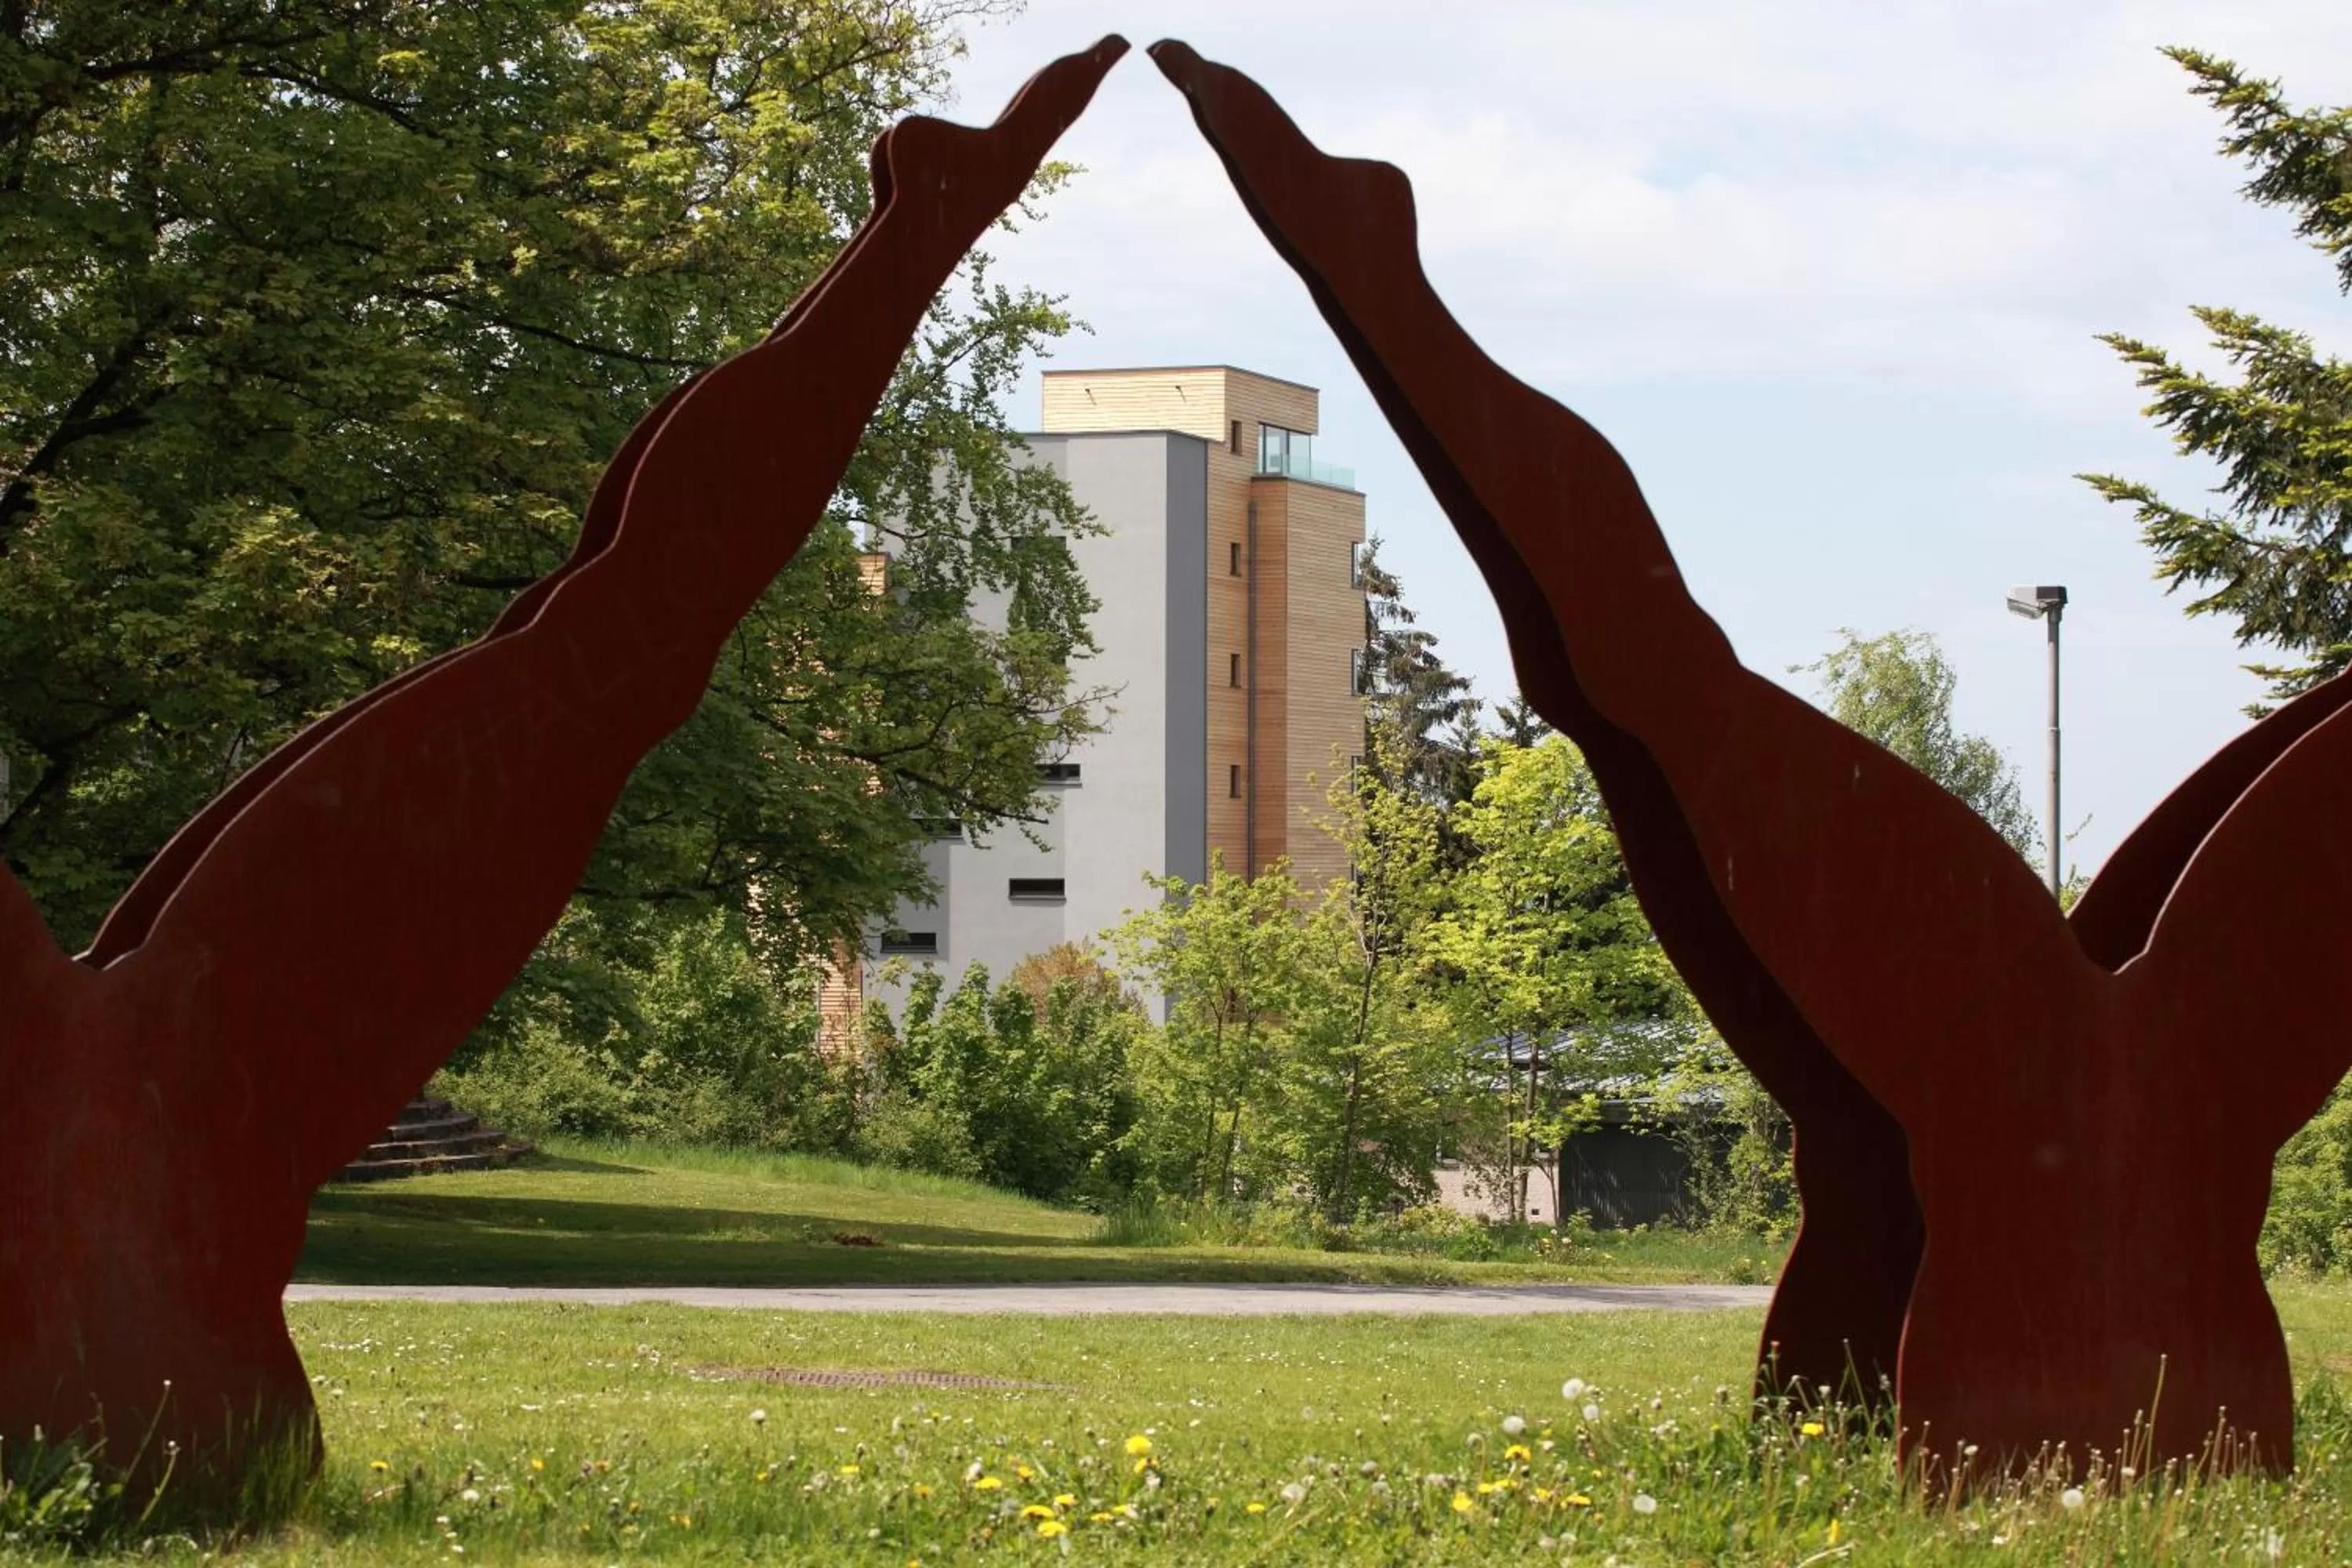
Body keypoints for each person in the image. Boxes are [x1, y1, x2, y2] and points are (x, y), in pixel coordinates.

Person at [1153, 38, 2352, 1475]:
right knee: (1636, 687)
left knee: (1644, 686)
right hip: (2049, 1069)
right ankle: (1384, 283)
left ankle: (1385, 281)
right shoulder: (2123, 1094)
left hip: (2047, 1071)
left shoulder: (2111, 1101)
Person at [0, 37, 1126, 1496]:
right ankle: (916, 229)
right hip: (173, 1098)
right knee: (609, 641)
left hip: (164, 1092)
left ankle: (915, 231)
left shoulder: (157, 1109)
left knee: (608, 641)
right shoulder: (169, 1116)